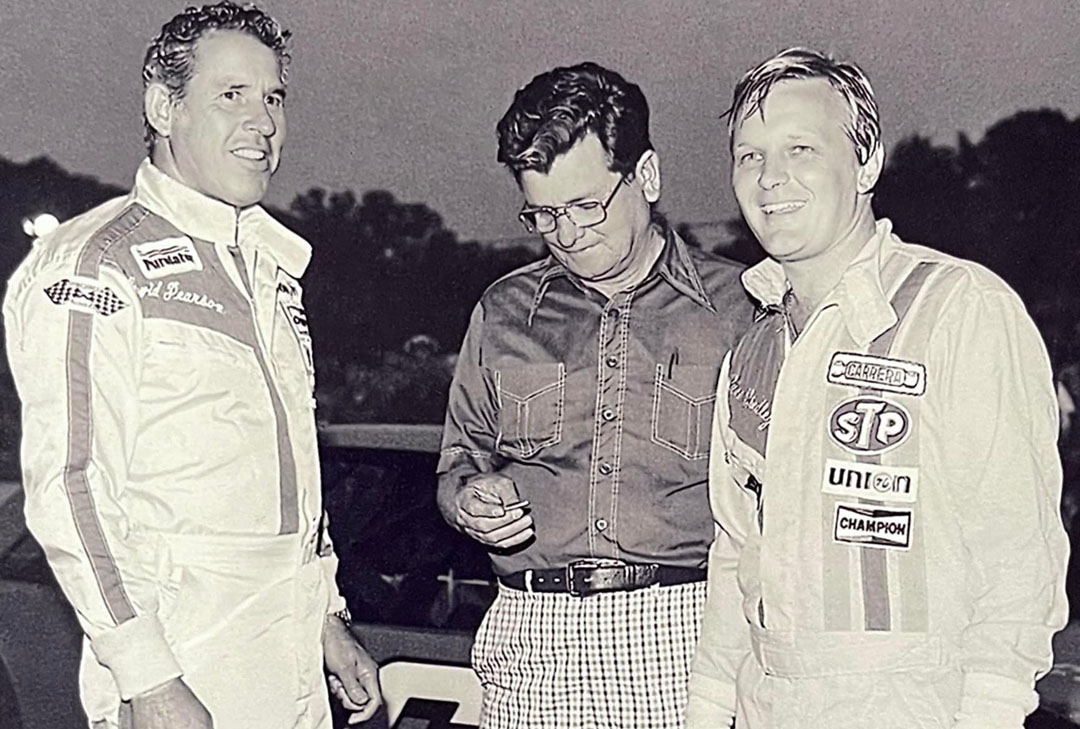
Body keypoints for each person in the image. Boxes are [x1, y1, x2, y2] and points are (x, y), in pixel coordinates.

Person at [3, 3, 380, 727]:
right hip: (186, 671)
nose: (263, 122)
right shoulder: (95, 262)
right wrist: (148, 678)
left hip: (290, 665)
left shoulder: (271, 270)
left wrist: (326, 618)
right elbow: (71, 487)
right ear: (162, 106)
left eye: (273, 98)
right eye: (231, 95)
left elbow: (289, 473)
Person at [685, 47, 1070, 729]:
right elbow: (735, 554)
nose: (771, 178)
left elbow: (1016, 556)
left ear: (867, 161)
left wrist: (990, 711)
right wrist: (707, 710)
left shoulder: (959, 309)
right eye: (750, 156)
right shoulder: (750, 351)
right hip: (767, 699)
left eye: (800, 148)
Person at [436, 61, 753, 728]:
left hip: (684, 639)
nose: (568, 235)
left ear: (647, 177)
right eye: (544, 214)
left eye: (586, 206)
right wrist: (467, 499)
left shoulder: (742, 310)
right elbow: (457, 459)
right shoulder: (503, 310)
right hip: (529, 637)